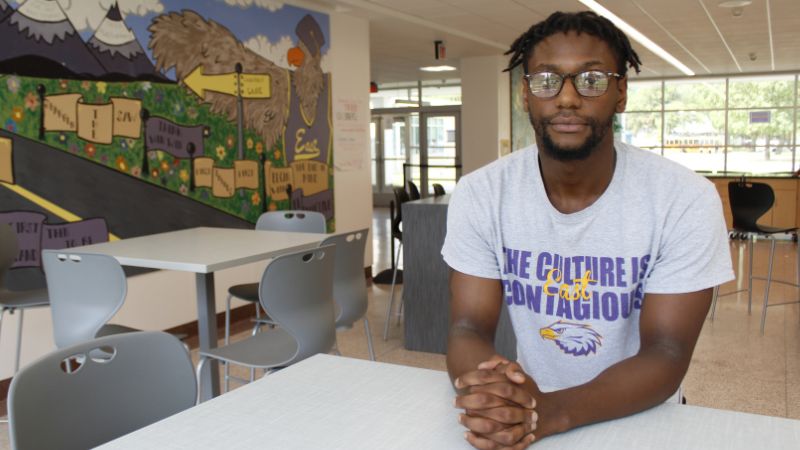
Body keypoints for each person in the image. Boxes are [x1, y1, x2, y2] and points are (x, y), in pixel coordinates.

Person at [441, 11, 733, 450]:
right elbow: (467, 328)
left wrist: (551, 411)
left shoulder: (684, 198)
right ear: (526, 95)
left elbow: (667, 352)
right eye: (546, 80)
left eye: (591, 80)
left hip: (643, 419)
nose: (567, 98)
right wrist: (493, 396)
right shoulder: (482, 193)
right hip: (530, 416)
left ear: (621, 94)